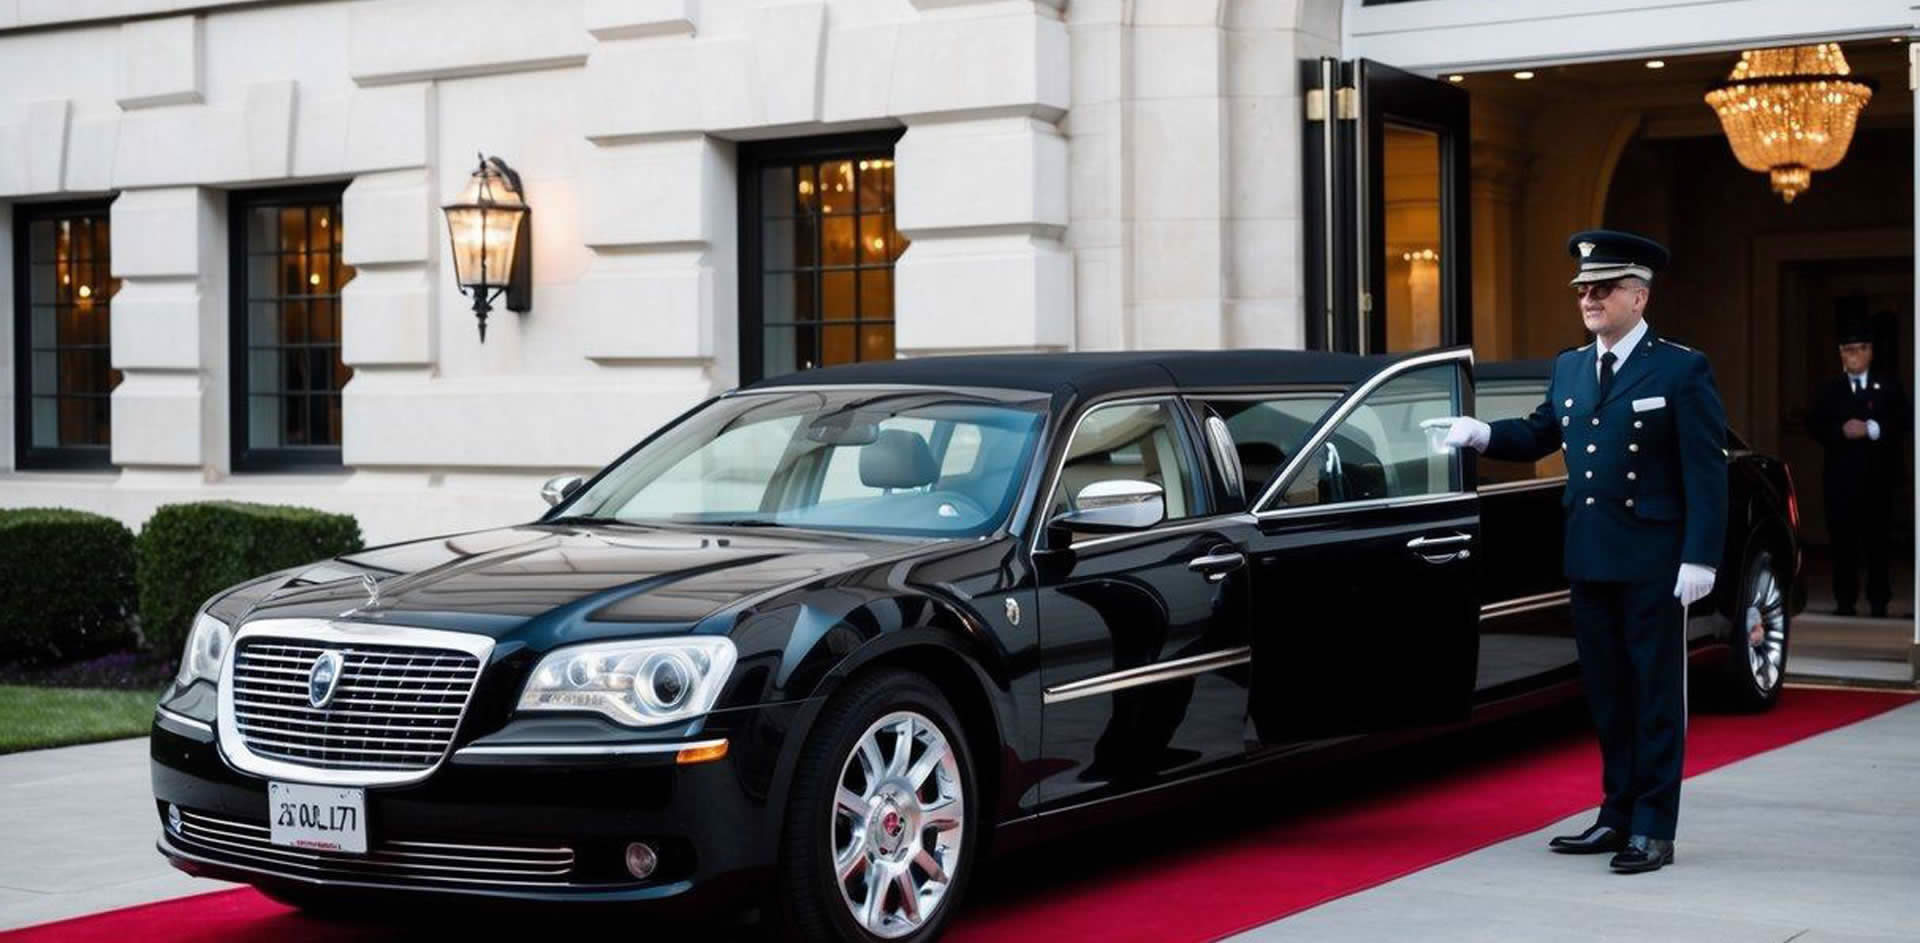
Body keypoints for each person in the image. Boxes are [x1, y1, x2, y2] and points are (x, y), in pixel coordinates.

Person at [1425, 229, 1728, 875]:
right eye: (1583, 288)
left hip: (1653, 557)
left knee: (1654, 695)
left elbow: (1706, 469)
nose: (1588, 297)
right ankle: (1616, 812)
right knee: (1608, 692)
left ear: (1639, 296)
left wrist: (1701, 555)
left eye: (1603, 287)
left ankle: (1653, 824)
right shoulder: (1569, 366)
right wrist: (1481, 433)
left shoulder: (1680, 367)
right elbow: (1540, 432)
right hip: (1590, 555)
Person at [1808, 313, 1905, 618]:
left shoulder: (1887, 387)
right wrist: (1840, 430)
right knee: (1843, 544)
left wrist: (1872, 428)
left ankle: (1879, 601)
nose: (1854, 355)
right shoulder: (1830, 389)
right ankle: (1845, 601)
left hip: (1878, 480)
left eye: (1860, 348)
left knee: (1878, 542)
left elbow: (1903, 420)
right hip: (1841, 480)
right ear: (1840, 354)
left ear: (1870, 352)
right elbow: (1815, 423)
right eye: (1848, 350)